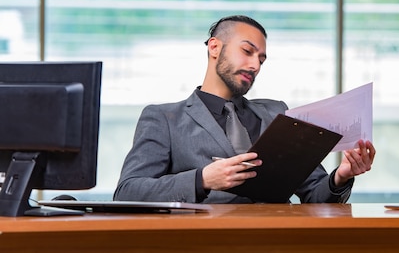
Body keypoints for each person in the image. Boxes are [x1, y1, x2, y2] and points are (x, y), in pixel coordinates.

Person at [114, 14, 376, 204]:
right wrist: (202, 179)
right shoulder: (164, 118)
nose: (255, 65)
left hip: (276, 242)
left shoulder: (277, 113)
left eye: (261, 59)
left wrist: (341, 177)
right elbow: (128, 192)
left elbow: (315, 195)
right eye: (247, 51)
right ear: (215, 47)